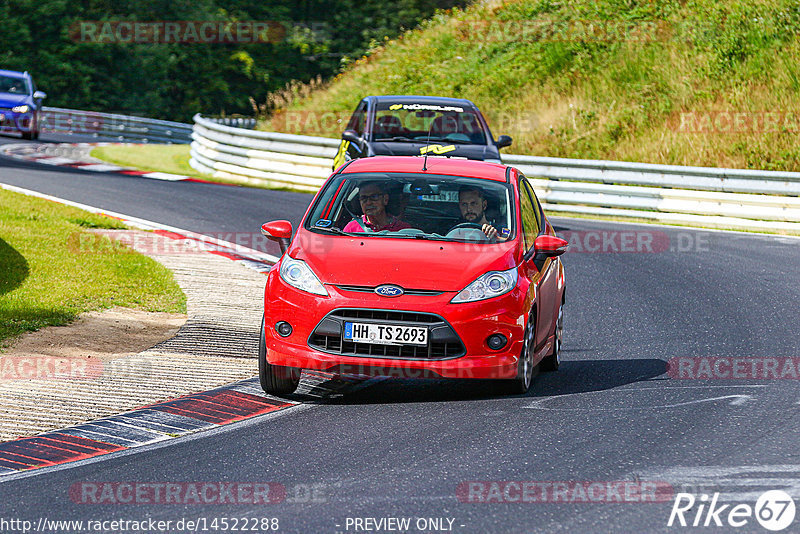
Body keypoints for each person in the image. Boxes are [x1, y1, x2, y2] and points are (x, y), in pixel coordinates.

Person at [344, 181, 412, 233]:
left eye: (374, 197)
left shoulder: (403, 229)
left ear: (385, 199)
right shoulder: (352, 228)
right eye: (364, 198)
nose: (368, 202)